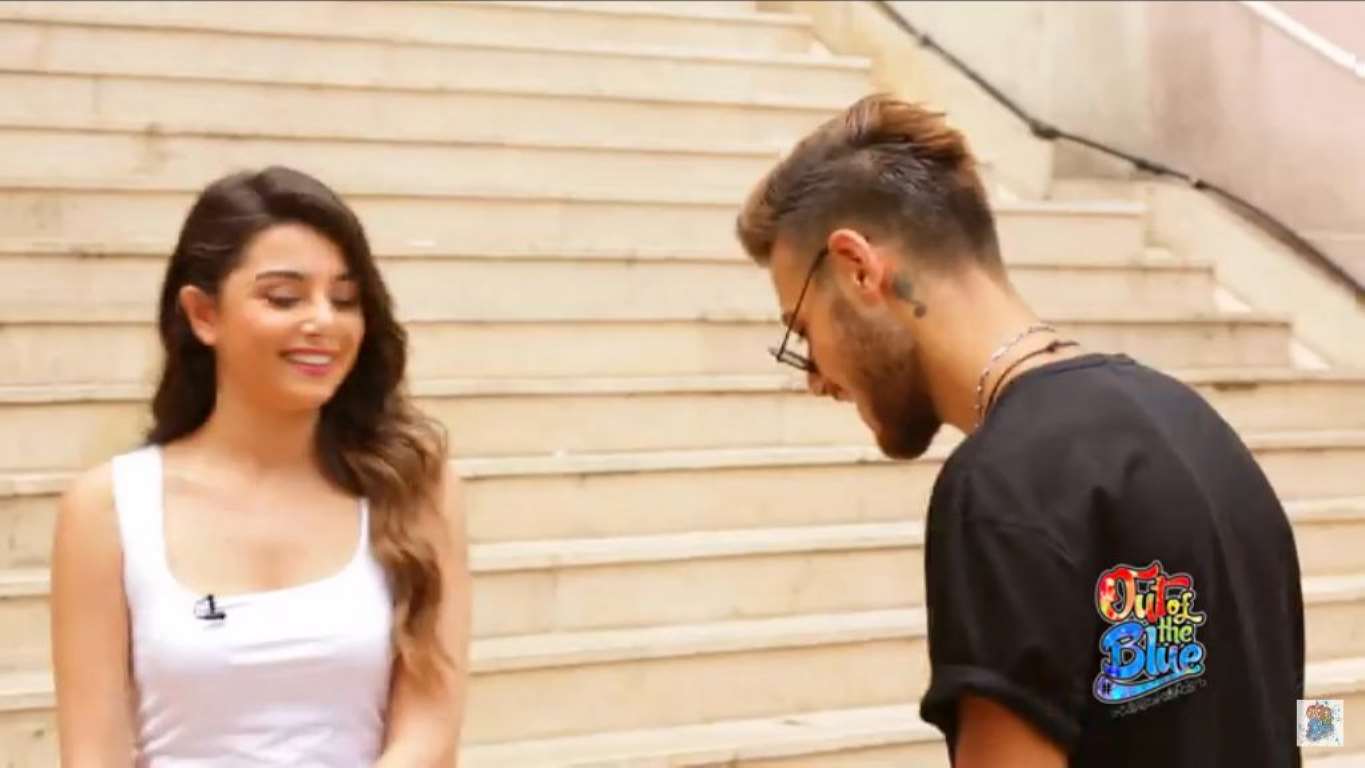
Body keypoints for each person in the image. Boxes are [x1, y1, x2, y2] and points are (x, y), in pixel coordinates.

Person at [735, 95, 1304, 766]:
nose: (816, 378)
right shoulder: (1200, 428)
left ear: (858, 268)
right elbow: (1302, 716)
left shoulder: (998, 489)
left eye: (802, 331)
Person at [50, 166, 470, 766]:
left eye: (345, 300)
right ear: (203, 314)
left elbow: (430, 728)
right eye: (284, 298)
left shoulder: (412, 485)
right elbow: (93, 751)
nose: (323, 322)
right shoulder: (108, 508)